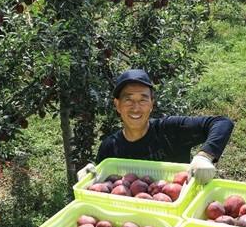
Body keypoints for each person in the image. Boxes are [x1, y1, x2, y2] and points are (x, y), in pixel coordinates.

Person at [77, 69, 234, 184]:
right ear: (117, 105)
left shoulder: (170, 130)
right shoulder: (110, 147)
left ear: (152, 104)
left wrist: (204, 157)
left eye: (143, 100)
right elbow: (106, 184)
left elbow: (221, 123)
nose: (136, 108)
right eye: (128, 100)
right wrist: (91, 178)